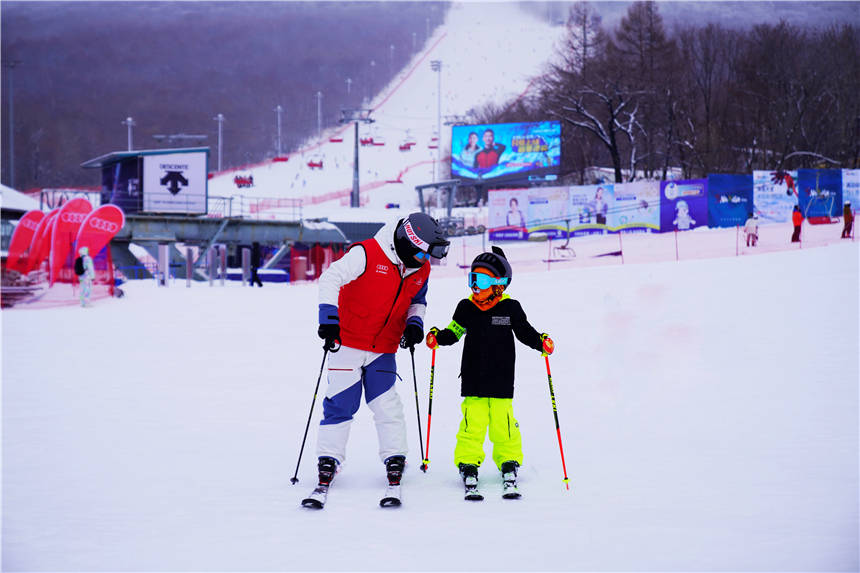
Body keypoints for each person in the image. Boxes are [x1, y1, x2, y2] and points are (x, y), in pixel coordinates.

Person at [308, 212, 450, 507]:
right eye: (422, 253)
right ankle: (329, 459)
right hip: (346, 341)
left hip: (383, 348)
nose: (425, 261)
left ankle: (395, 457)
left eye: (429, 256)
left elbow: (418, 302)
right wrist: (329, 319)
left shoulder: (420, 269)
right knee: (339, 403)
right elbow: (330, 278)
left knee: (387, 405)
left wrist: (415, 324)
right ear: (408, 244)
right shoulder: (367, 253)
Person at [425, 246, 553, 500]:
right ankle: (468, 462)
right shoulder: (466, 308)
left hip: (502, 377)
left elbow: (525, 332)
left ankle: (508, 461)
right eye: (472, 279)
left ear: (499, 284)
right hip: (473, 377)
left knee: (503, 424)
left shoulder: (510, 308)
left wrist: (541, 342)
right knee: (473, 423)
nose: (475, 286)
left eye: (481, 280)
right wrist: (439, 337)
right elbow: (455, 331)